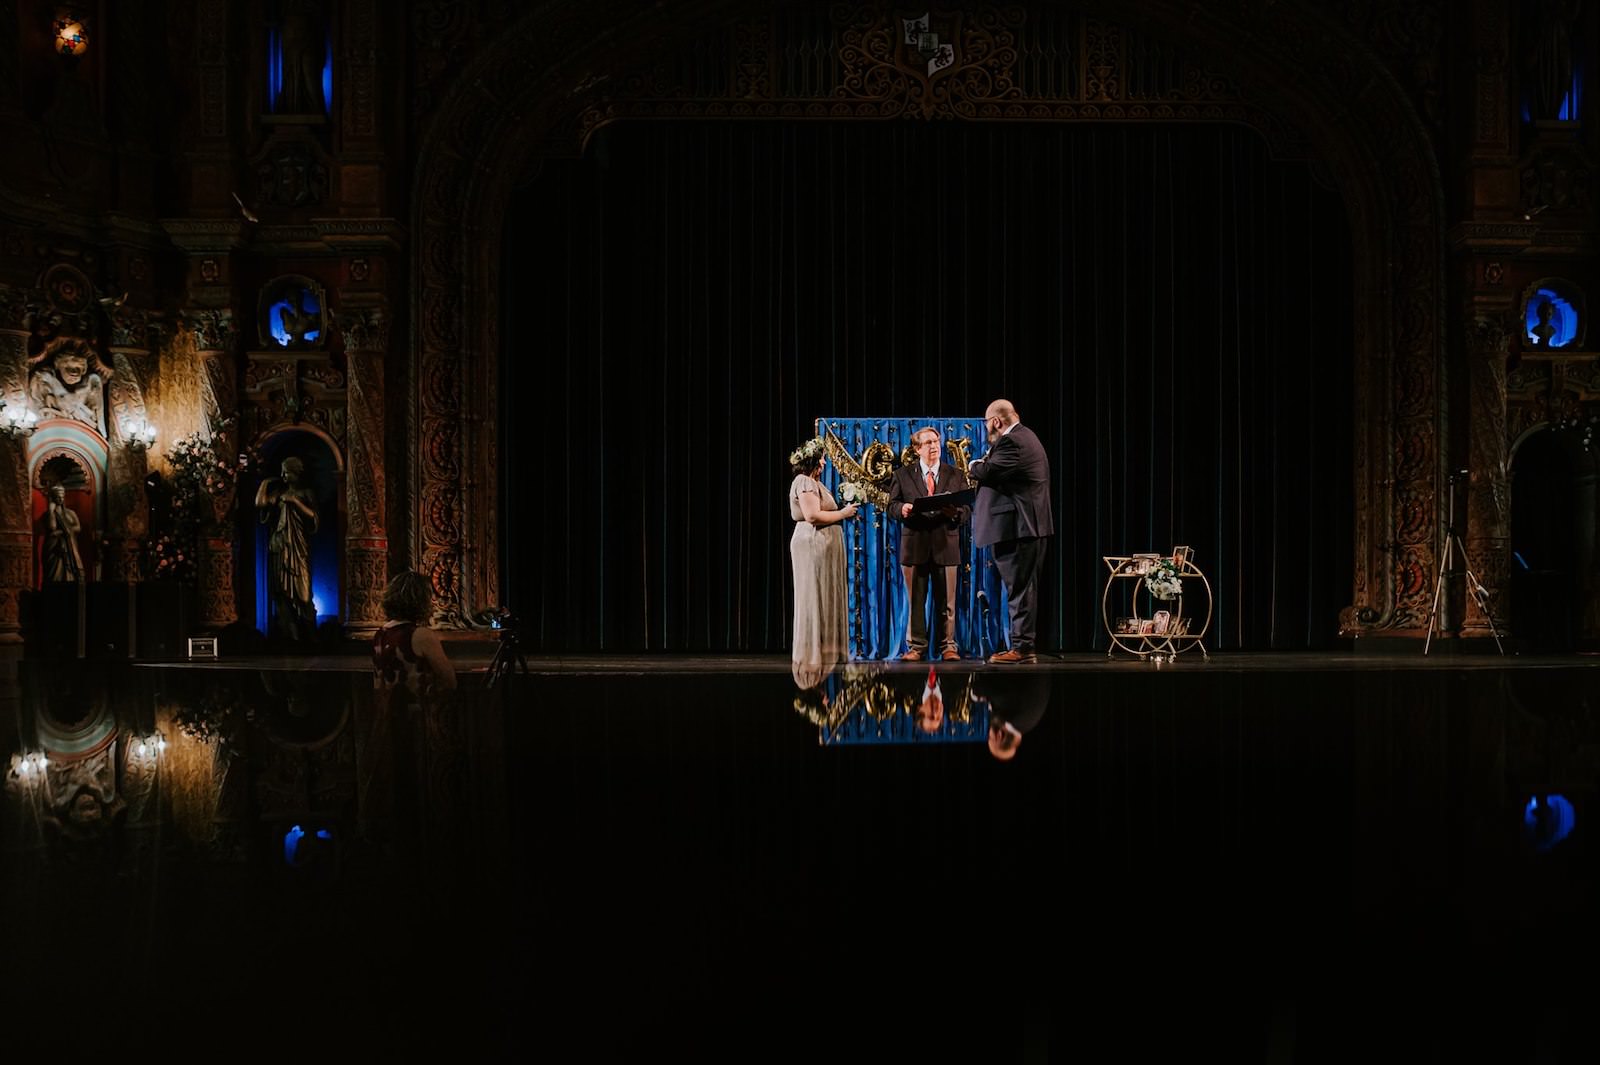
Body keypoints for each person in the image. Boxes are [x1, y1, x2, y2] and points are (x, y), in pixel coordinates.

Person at [968, 399, 1053, 663]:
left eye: (986, 423)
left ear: (996, 421)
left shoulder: (1012, 441)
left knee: (1020, 590)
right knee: (1023, 588)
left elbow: (989, 470)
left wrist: (974, 466)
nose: (986, 429)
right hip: (1027, 527)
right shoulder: (1026, 436)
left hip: (1019, 528)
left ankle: (1022, 648)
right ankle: (1023, 645)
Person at [888, 426, 969, 661]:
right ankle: (916, 647)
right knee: (916, 601)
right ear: (917, 449)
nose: (934, 447)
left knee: (948, 602)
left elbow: (966, 511)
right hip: (915, 546)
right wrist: (901, 508)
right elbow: (891, 506)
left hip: (946, 544)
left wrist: (955, 512)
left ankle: (948, 646)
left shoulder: (955, 474)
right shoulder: (902, 475)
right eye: (928, 443)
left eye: (936, 441)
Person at [788, 434, 858, 676]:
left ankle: (826, 650)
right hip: (812, 543)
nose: (825, 464)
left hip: (823, 544)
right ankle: (811, 653)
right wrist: (844, 513)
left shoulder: (813, 483)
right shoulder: (804, 482)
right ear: (814, 461)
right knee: (813, 595)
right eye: (823, 460)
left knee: (823, 594)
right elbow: (812, 516)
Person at [255, 456, 319, 641]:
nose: (283, 475)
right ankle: (291, 636)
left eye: (287, 472)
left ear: (297, 473)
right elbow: (260, 503)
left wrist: (295, 502)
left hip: (298, 548)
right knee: (281, 592)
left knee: (304, 594)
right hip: (280, 545)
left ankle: (309, 634)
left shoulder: (306, 493)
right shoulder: (278, 493)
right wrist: (265, 483)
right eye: (282, 471)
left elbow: (314, 516)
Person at [371, 570, 458, 700]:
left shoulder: (380, 634)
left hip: (387, 713)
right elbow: (449, 680)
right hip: (415, 713)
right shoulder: (421, 636)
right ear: (421, 601)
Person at [975, 673, 1050, 762]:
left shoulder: (1028, 722)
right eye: (989, 737)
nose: (988, 731)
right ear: (999, 736)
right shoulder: (1015, 715)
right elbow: (980, 687)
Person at [41, 484, 84, 584]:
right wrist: (51, 511)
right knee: (54, 573)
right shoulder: (47, 514)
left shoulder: (71, 513)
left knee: (69, 572)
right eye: (57, 497)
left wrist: (62, 531)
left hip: (70, 545)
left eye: (62, 496)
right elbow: (52, 527)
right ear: (52, 498)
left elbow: (78, 527)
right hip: (54, 547)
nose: (60, 499)